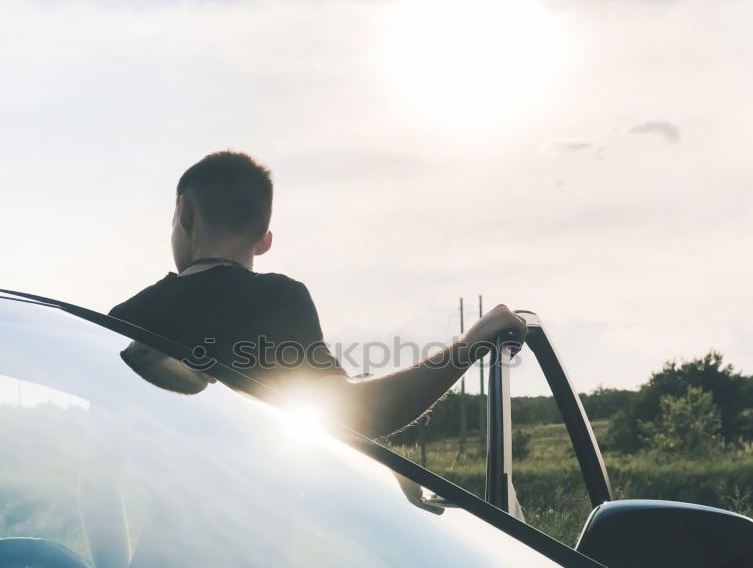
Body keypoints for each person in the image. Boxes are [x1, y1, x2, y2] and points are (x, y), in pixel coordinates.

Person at [110, 150, 527, 438]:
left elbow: (97, 468)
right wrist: (470, 344)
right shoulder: (278, 300)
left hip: (147, 560)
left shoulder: (122, 317)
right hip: (246, 553)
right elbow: (354, 414)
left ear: (184, 214)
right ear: (264, 240)